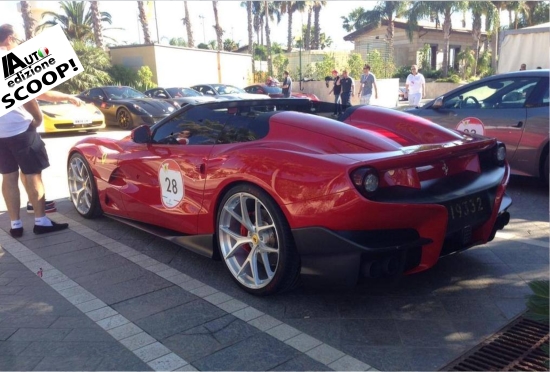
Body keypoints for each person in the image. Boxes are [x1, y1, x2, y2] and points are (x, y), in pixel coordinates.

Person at [0, 24, 82, 237]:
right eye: (17, 40)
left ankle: (15, 225)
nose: (18, 44)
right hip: (20, 129)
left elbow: (38, 89)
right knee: (33, 175)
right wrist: (38, 118)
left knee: (8, 177)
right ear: (9, 38)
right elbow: (28, 94)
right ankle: (40, 220)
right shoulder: (11, 62)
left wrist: (67, 97)